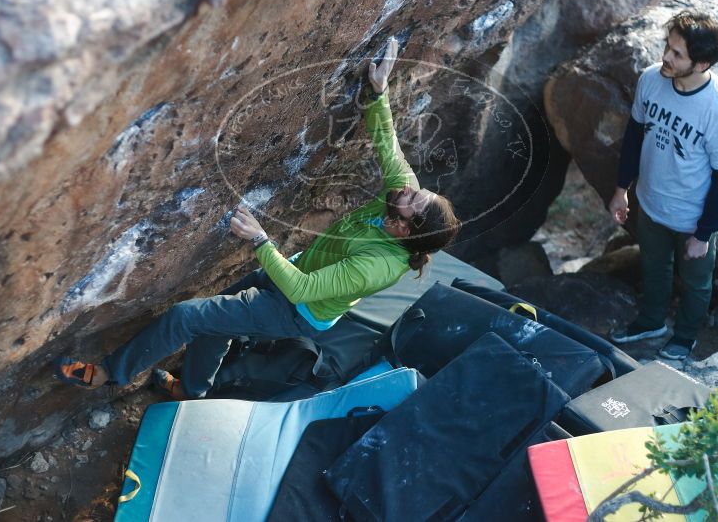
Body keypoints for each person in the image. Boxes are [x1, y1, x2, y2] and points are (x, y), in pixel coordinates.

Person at [55, 38, 462, 398]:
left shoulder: (378, 265)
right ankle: (193, 389)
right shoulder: (401, 199)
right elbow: (388, 148)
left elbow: (302, 290)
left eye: (413, 197)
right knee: (215, 326)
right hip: (293, 271)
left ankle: (109, 374)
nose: (408, 186)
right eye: (414, 189)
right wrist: (378, 92)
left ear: (403, 228)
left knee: (187, 317)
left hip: (296, 309)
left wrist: (260, 241)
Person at [608, 11, 718, 360]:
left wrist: (703, 234)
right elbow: (634, 136)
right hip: (651, 204)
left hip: (693, 218)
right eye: (667, 47)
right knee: (653, 266)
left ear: (701, 64)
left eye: (677, 54)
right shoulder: (651, 80)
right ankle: (652, 320)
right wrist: (621, 189)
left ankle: (685, 337)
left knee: (697, 283)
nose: (665, 57)